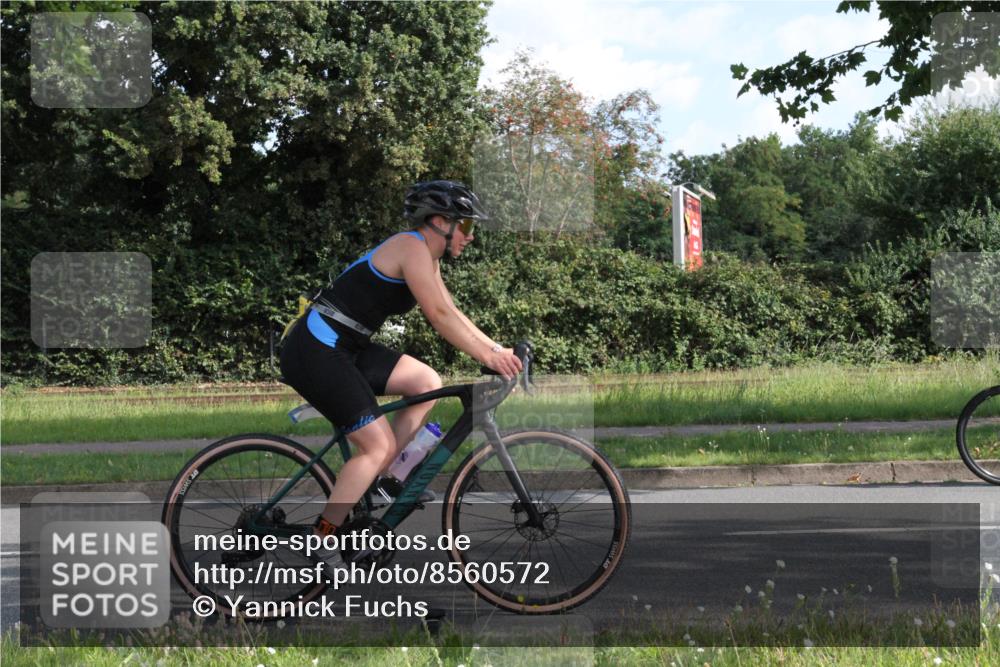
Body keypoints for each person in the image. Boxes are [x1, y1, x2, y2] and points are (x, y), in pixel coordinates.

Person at [279, 180, 522, 574]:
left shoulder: (428, 256)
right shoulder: (411, 247)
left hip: (346, 345)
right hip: (315, 348)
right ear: (440, 222)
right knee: (375, 445)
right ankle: (322, 537)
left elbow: (452, 312)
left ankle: (385, 482)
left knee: (425, 382)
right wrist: (489, 357)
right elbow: (438, 317)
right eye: (465, 225)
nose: (470, 235)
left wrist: (496, 351)